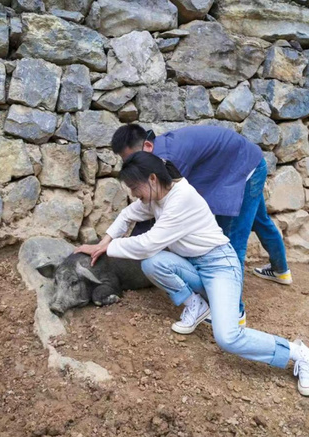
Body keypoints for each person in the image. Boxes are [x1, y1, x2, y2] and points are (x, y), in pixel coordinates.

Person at [76, 151, 309, 397]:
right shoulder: (156, 198)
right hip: (194, 265)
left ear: (152, 179)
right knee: (152, 264)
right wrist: (104, 242)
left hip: (220, 266)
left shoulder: (181, 198)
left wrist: (107, 248)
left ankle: (299, 353)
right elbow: (127, 216)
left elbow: (147, 243)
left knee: (228, 337)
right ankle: (195, 305)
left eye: (135, 187)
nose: (134, 194)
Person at [112, 124, 293, 324]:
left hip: (244, 170)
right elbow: (152, 209)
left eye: (130, 159)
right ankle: (280, 271)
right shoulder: (157, 152)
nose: (130, 167)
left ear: (147, 146)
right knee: (260, 221)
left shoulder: (166, 161)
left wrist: (131, 244)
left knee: (233, 241)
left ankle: (234, 313)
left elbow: (161, 209)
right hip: (247, 161)